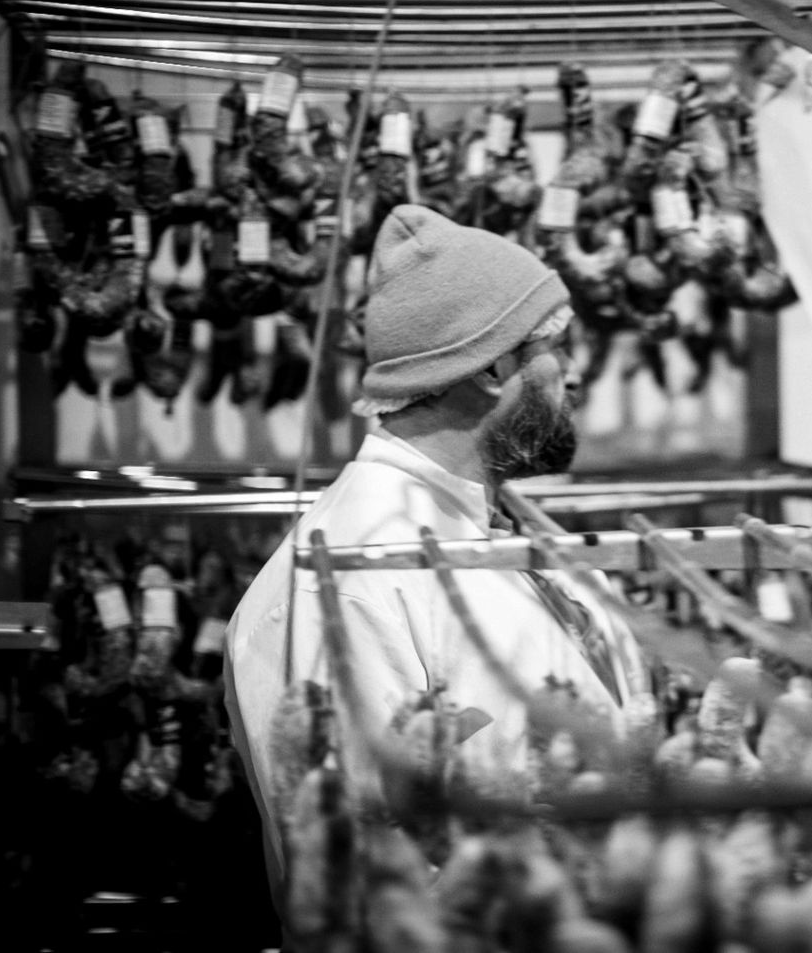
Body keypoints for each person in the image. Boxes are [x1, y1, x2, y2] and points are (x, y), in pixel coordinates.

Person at [223, 203, 647, 918]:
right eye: (554, 347)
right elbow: (361, 879)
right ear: (492, 368)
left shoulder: (492, 526)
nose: (571, 374)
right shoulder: (353, 573)